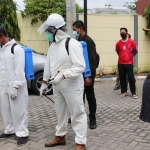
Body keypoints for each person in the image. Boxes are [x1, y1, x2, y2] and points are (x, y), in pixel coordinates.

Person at [38, 14, 87, 150]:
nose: (47, 34)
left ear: (55, 30)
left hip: (71, 85)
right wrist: (44, 82)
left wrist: (63, 75)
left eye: (49, 31)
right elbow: (49, 64)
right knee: (60, 112)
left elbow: (80, 66)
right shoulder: (53, 45)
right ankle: (60, 136)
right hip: (57, 86)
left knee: (77, 113)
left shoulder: (72, 44)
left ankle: (81, 143)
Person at [0, 26, 29, 146]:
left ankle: (22, 133)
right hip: (3, 85)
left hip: (15, 85)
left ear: (1, 36)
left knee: (19, 110)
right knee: (5, 109)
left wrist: (15, 86)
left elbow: (19, 69)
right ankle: (10, 129)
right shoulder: (1, 50)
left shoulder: (16, 49)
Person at [72, 20, 97, 129]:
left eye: (74, 30)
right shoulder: (78, 40)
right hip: (79, 74)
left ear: (80, 29)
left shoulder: (88, 41)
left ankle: (92, 118)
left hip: (87, 74)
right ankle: (78, 116)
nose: (74, 32)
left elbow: (92, 61)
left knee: (89, 95)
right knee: (79, 96)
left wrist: (89, 76)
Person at [115, 28, 138, 99]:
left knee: (131, 78)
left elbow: (135, 51)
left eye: (123, 32)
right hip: (121, 63)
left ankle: (133, 93)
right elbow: (118, 52)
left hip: (129, 63)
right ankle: (124, 92)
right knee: (122, 78)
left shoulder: (132, 42)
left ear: (126, 33)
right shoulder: (118, 43)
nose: (122, 34)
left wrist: (130, 56)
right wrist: (122, 57)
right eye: (121, 32)